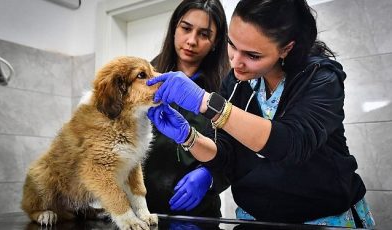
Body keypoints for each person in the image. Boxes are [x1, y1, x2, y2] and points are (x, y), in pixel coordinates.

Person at [146, 0, 376, 228]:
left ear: (286, 48)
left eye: (253, 55)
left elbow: (291, 143)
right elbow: (226, 154)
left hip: (321, 217)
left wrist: (206, 102)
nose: (235, 62)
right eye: (232, 45)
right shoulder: (237, 82)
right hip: (255, 218)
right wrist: (189, 137)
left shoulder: (320, 78)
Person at [144, 0, 230, 218]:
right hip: (142, 210)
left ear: (215, 41)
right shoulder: (144, 77)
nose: (191, 41)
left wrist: (210, 176)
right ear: (174, 27)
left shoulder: (227, 87)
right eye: (186, 28)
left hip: (200, 215)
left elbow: (238, 151)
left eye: (204, 34)